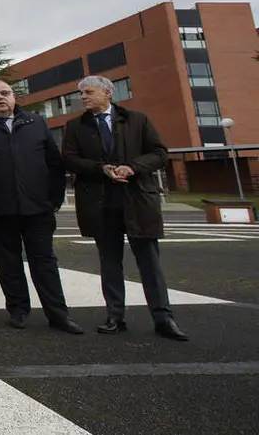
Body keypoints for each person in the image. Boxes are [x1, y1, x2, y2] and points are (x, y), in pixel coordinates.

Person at [61, 76, 188, 340]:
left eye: (88, 92)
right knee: (109, 263)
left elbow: (159, 153)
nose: (83, 97)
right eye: (81, 93)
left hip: (138, 199)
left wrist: (134, 167)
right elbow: (70, 160)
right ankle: (115, 316)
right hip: (101, 203)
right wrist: (101, 169)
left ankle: (163, 318)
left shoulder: (137, 120)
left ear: (107, 93)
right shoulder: (75, 126)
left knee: (149, 263)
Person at [0, 80, 83, 334]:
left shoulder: (35, 123)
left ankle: (58, 314)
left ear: (14, 97)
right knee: (8, 263)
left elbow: (53, 162)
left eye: (5, 93)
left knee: (45, 262)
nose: (0, 98)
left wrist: (54, 200)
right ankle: (18, 310)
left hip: (37, 208)